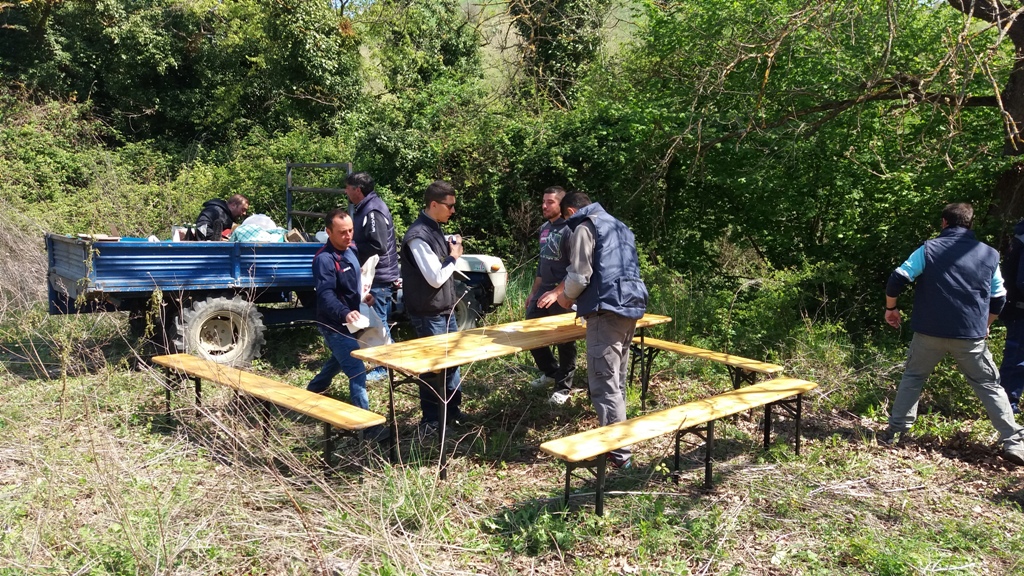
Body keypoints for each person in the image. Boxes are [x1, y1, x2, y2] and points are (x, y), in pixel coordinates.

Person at [881, 202, 1024, 465]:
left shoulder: (928, 248)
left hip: (928, 332)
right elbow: (1000, 297)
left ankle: (896, 432)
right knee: (988, 385)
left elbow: (897, 278)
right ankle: (1014, 443)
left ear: (944, 223)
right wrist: (986, 325)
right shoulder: (990, 254)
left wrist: (891, 308)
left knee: (914, 376)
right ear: (970, 224)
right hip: (970, 335)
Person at [538, 191, 648, 468]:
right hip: (629, 305)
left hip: (605, 310)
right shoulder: (619, 225)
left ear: (572, 211)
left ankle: (618, 456)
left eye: (567, 219)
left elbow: (579, 275)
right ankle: (621, 447)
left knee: (604, 383)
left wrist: (564, 299)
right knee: (616, 379)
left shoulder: (586, 226)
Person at [307, 209, 388, 441]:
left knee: (339, 359)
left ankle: (314, 388)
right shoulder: (324, 259)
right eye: (342, 232)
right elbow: (325, 294)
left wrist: (364, 298)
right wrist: (345, 312)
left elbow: (354, 285)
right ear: (328, 232)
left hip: (352, 321)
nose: (348, 236)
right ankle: (368, 427)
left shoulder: (352, 250)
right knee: (357, 372)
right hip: (333, 323)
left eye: (351, 230)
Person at [400, 180, 465, 438]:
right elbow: (435, 278)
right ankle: (431, 421)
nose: (452, 211)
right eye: (449, 206)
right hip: (429, 314)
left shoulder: (435, 229)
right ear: (434, 204)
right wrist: (453, 257)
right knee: (434, 369)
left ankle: (453, 414)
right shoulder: (417, 236)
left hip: (444, 310)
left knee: (453, 365)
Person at [345, 172, 400, 382]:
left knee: (379, 322)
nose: (346, 192)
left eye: (348, 188)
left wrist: (352, 248)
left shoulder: (373, 209)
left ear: (357, 189)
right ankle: (390, 360)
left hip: (379, 274)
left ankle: (386, 366)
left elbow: (378, 244)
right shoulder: (365, 207)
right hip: (373, 273)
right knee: (377, 321)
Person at [525, 186, 577, 405]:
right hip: (543, 292)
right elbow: (542, 264)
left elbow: (577, 268)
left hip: (564, 293)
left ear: (561, 205)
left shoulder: (572, 229)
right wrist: (533, 292)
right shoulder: (545, 228)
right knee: (530, 332)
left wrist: (558, 292)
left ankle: (564, 387)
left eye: (550, 202)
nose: (544, 206)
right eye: (543, 201)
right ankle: (550, 371)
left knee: (564, 340)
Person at [999, 218, 1024, 414]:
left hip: (1016, 309)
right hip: (1020, 311)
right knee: (1016, 359)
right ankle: (1006, 406)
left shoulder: (1020, 238)